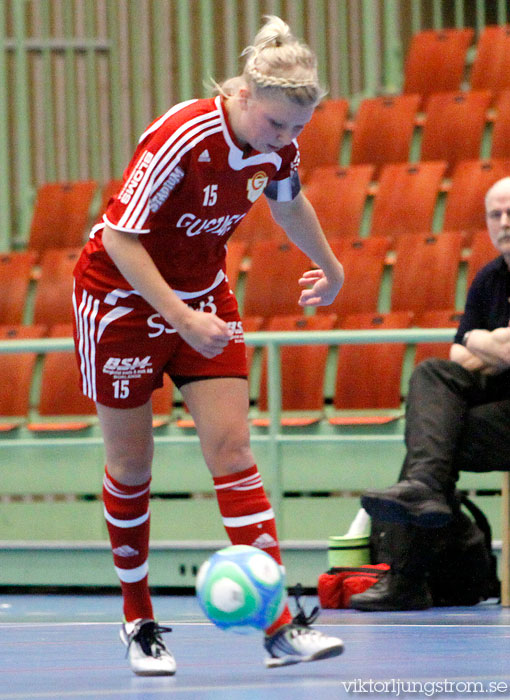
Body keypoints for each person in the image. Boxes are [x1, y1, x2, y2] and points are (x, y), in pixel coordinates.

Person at [72, 15, 345, 674]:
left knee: (234, 448)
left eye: (297, 131)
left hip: (202, 298)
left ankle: (279, 624)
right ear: (245, 96)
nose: (284, 140)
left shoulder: (278, 144)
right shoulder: (182, 136)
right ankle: (138, 620)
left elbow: (287, 204)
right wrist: (178, 317)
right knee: (133, 469)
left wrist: (333, 269)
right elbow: (118, 238)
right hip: (120, 302)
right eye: (276, 125)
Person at [351, 176, 510, 612]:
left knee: (434, 440)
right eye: (495, 214)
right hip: (496, 405)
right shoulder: (490, 277)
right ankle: (423, 486)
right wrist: (491, 343)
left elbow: (476, 345)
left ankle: (406, 580)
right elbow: (457, 355)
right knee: (432, 375)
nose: (503, 222)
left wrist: (482, 341)